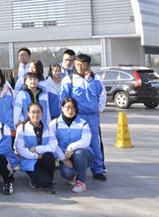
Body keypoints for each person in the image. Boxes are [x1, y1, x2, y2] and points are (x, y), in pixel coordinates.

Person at [59, 53, 106, 181]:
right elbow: (64, 98)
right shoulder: (69, 79)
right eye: (78, 64)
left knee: (95, 143)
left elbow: (102, 95)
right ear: (75, 64)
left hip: (92, 116)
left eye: (84, 65)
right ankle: (75, 169)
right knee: (75, 143)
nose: (80, 67)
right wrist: (64, 114)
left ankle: (97, 170)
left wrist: (99, 109)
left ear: (88, 65)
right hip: (77, 116)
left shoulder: (96, 78)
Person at [50, 97, 94, 193]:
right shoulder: (54, 124)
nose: (70, 110)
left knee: (79, 153)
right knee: (67, 173)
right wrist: (63, 158)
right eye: (68, 107)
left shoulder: (83, 123)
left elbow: (86, 141)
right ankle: (73, 175)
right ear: (62, 108)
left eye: (73, 108)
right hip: (66, 157)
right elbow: (52, 143)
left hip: (84, 155)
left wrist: (71, 147)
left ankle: (81, 182)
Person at [15, 102, 58, 194]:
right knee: (44, 182)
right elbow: (20, 149)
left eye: (38, 112)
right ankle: (41, 180)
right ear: (28, 113)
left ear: (42, 113)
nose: (35, 115)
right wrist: (36, 156)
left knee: (49, 156)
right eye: (33, 112)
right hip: (30, 161)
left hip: (44, 159)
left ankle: (50, 181)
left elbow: (53, 146)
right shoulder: (22, 128)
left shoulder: (48, 128)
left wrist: (37, 149)